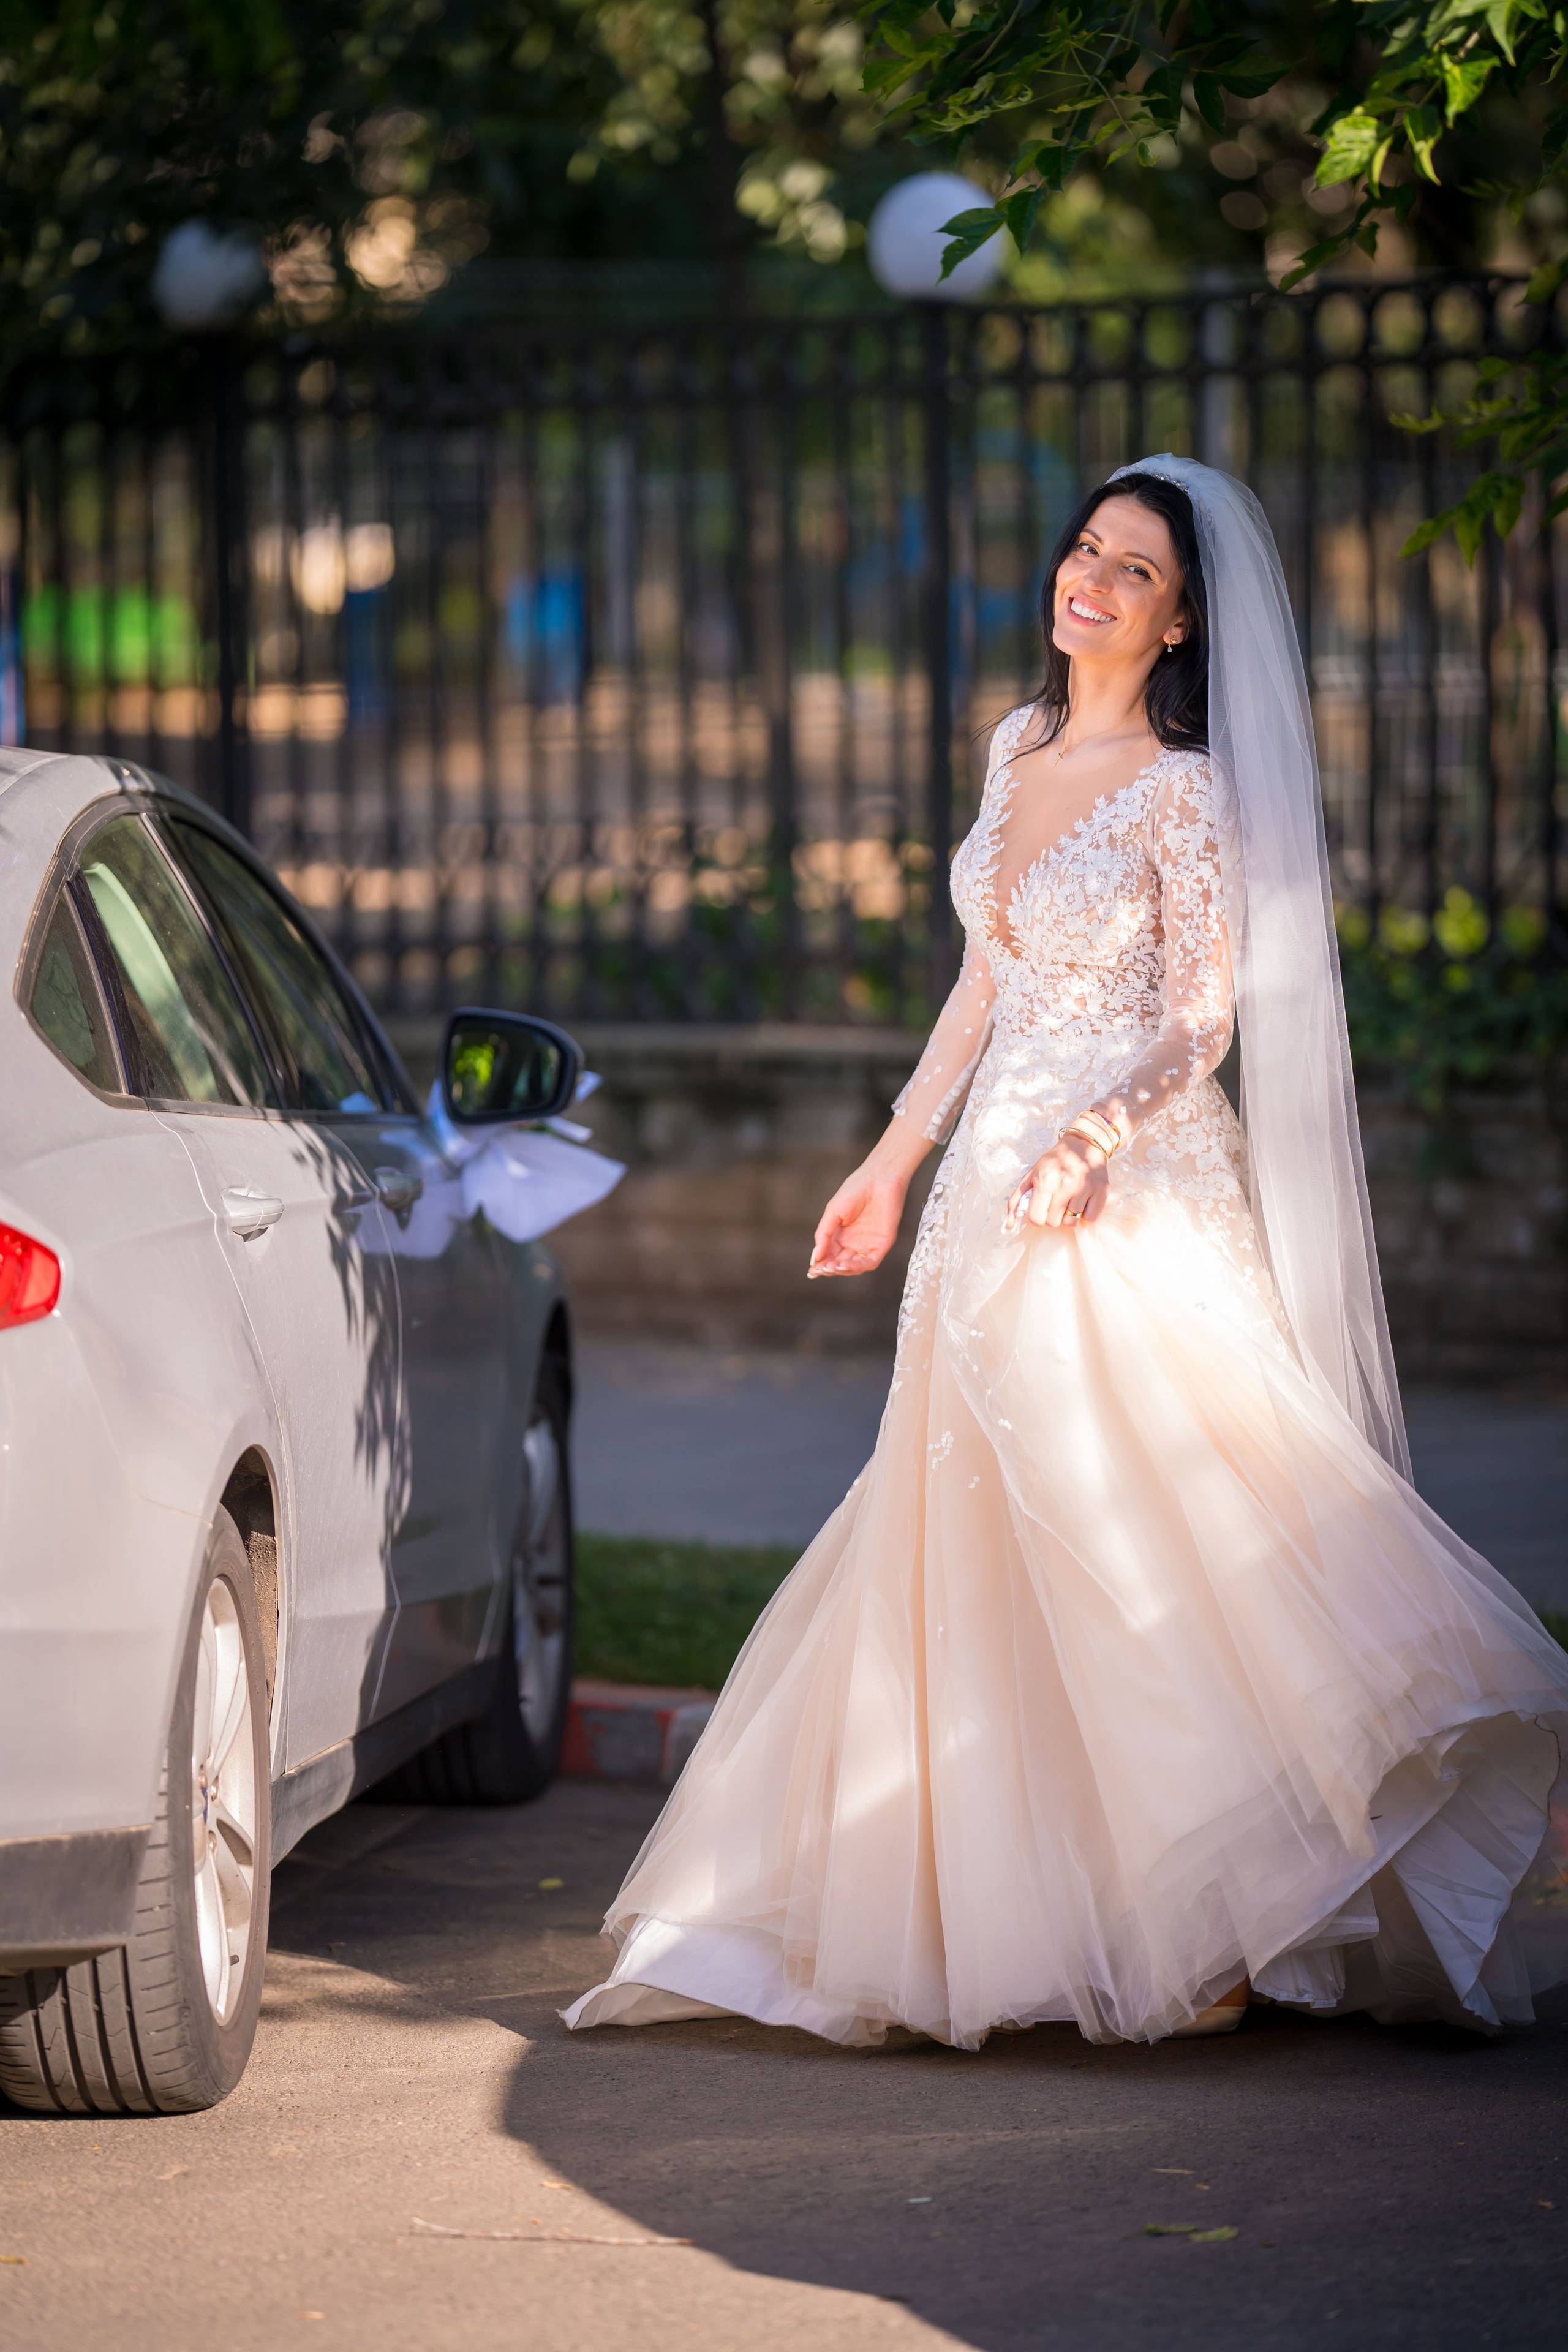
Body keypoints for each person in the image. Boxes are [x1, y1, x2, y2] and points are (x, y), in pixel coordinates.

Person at [564, 456, 1568, 2048]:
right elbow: (984, 982)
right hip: (980, 1191)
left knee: (1141, 1515)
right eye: (1084, 550)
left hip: (1127, 1184)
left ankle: (1224, 1899)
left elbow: (1203, 1014)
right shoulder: (1015, 744)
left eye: (1133, 571)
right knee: (976, 1531)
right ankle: (1048, 1910)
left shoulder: (1183, 788)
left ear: (1179, 624)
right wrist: (892, 1160)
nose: (1088, 581)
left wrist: (1102, 1132)